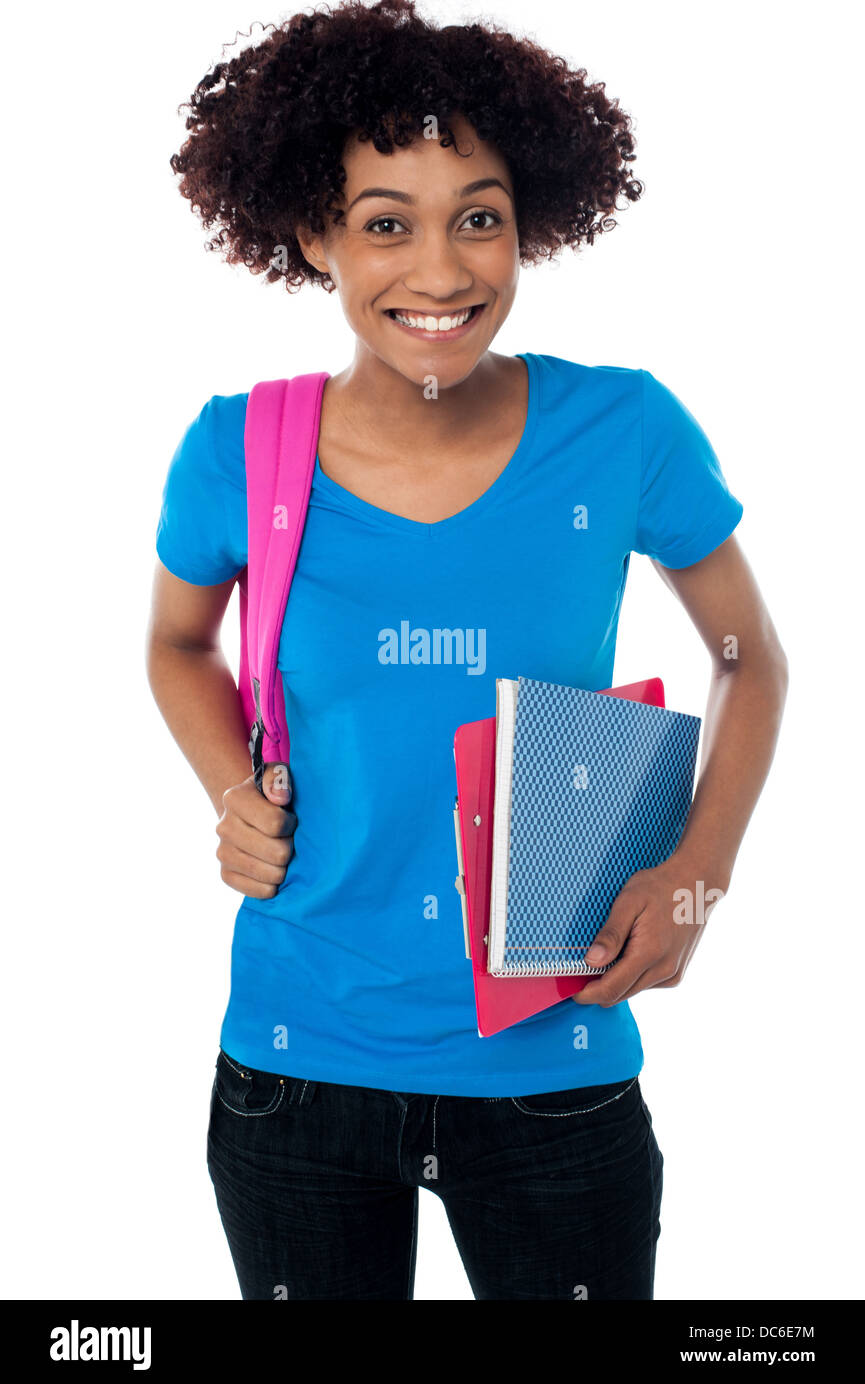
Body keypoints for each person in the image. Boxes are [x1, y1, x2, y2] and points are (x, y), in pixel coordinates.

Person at [146, 0, 788, 1300]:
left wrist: (696, 869)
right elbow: (174, 642)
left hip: (550, 1067)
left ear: (527, 221)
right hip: (294, 1064)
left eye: (476, 216)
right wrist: (230, 788)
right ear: (311, 234)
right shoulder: (235, 450)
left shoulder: (622, 429)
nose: (439, 270)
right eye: (385, 222)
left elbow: (748, 654)